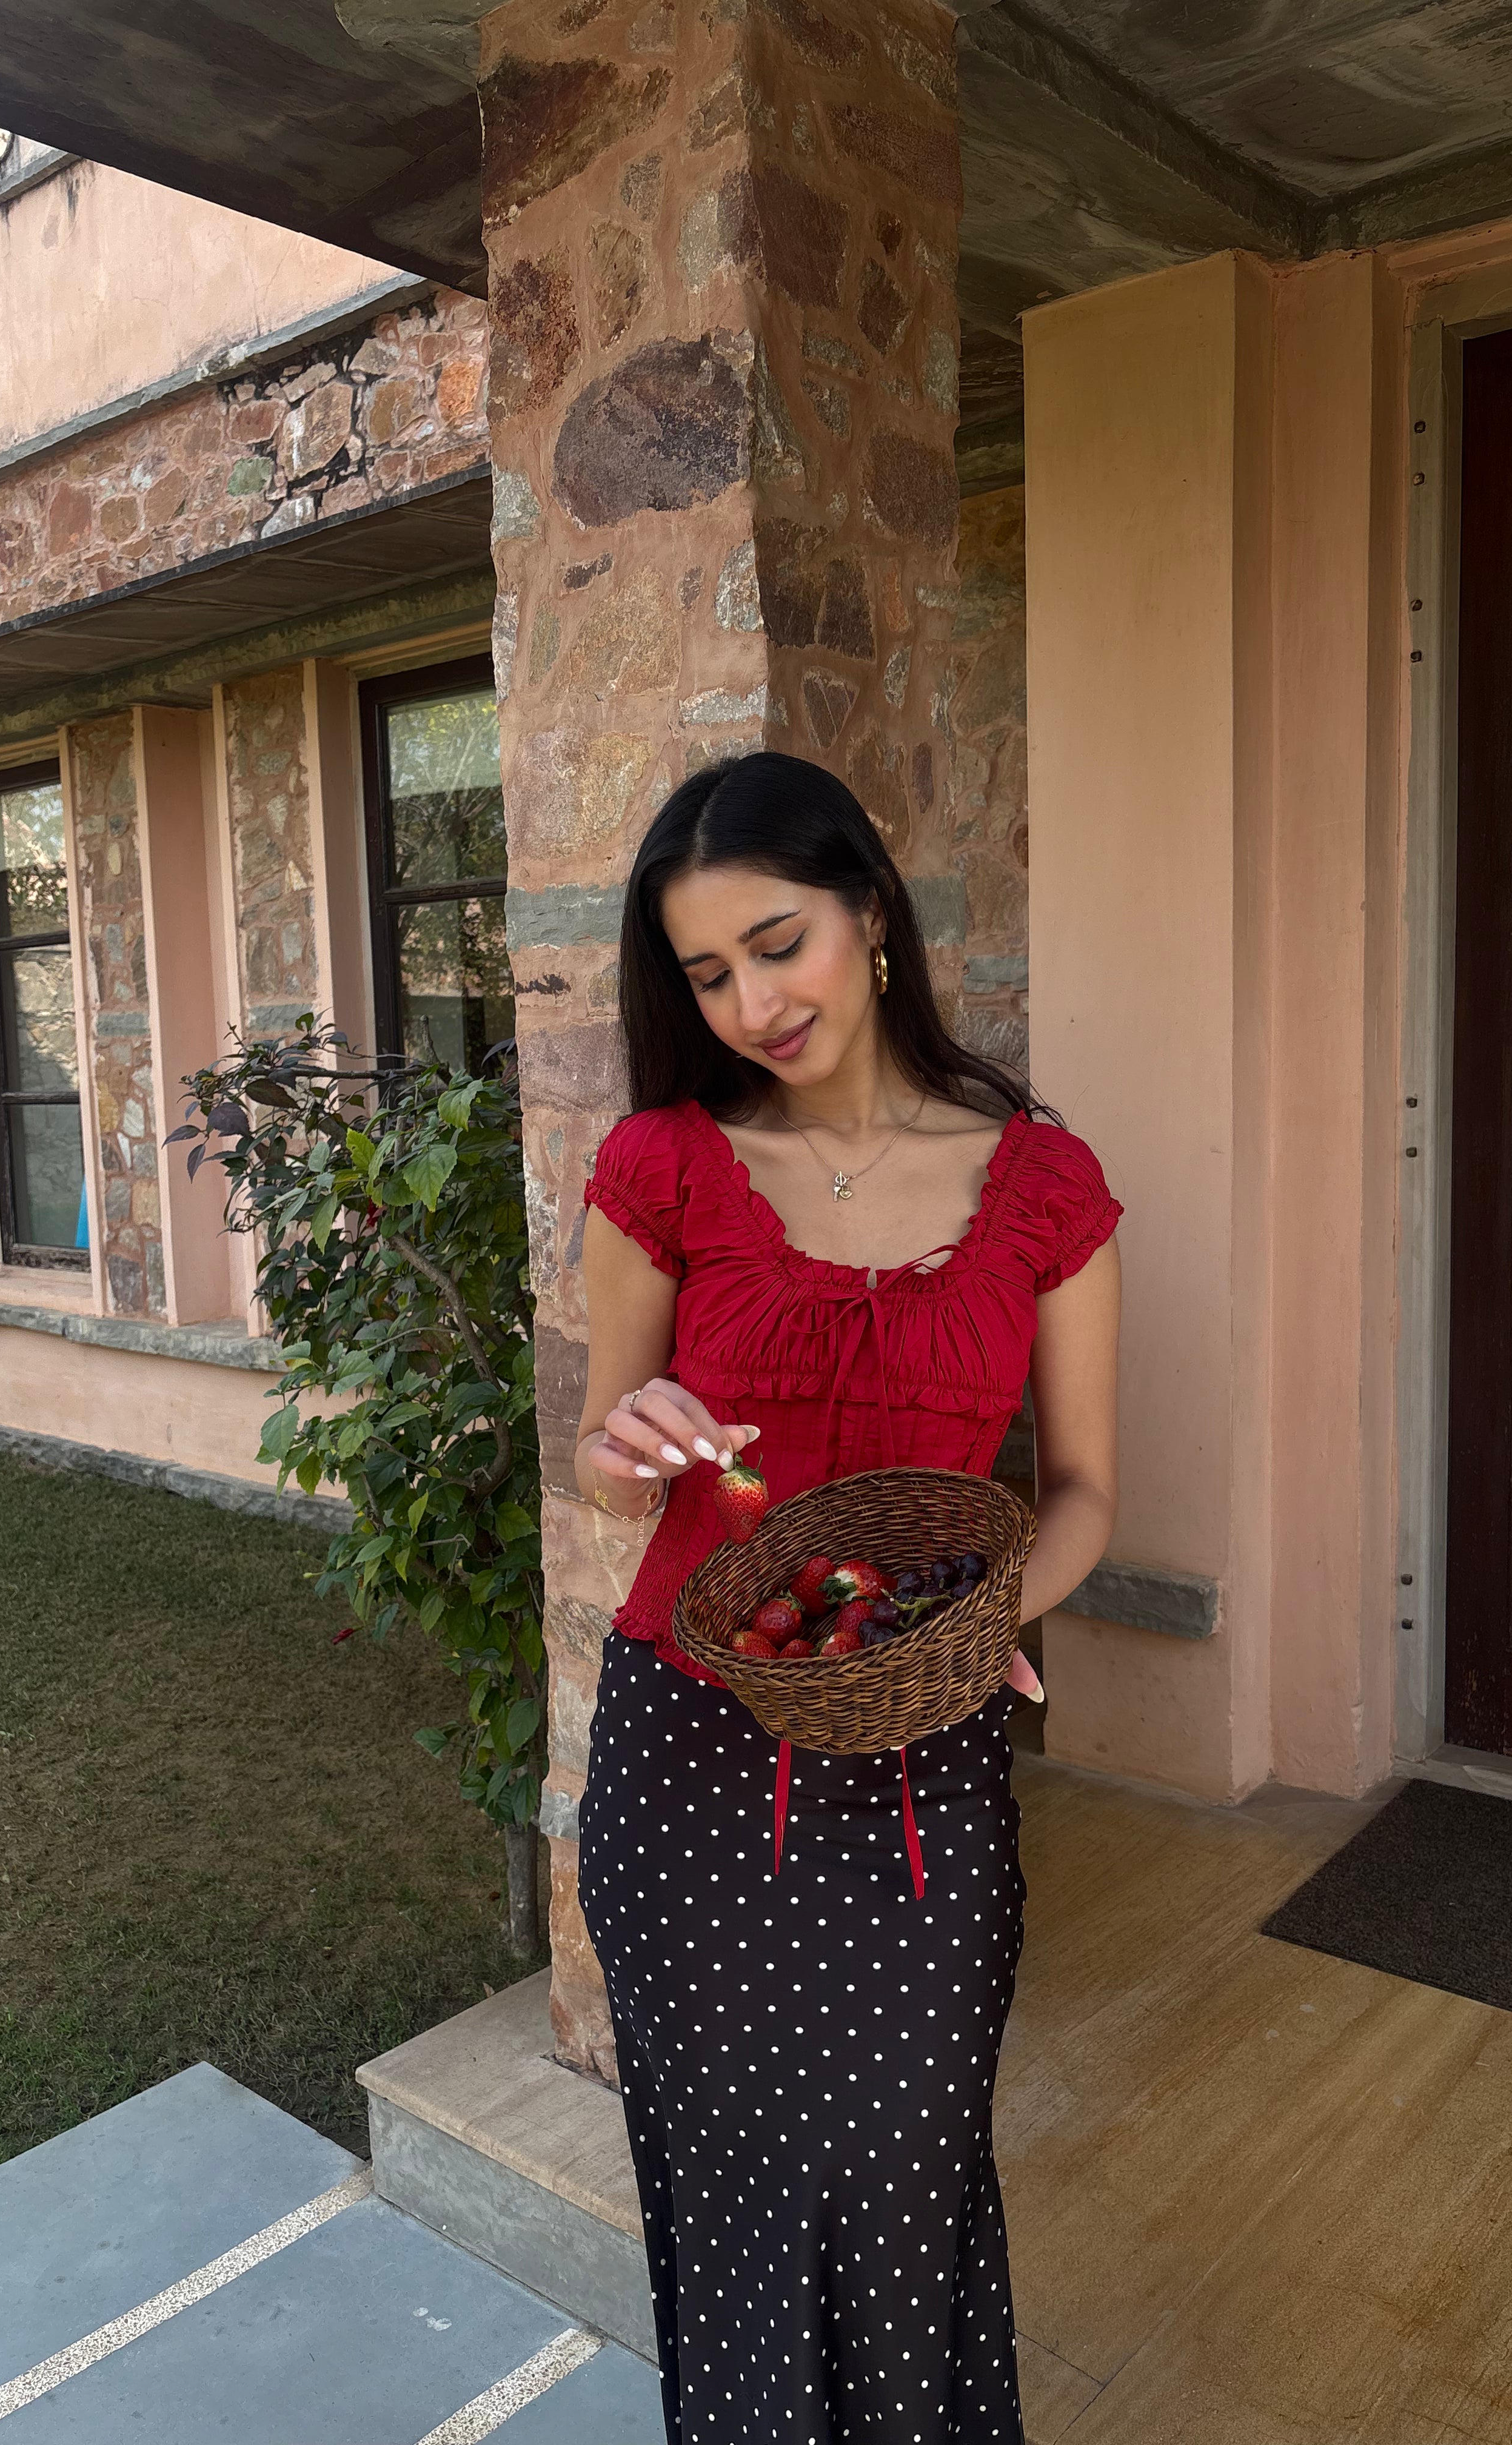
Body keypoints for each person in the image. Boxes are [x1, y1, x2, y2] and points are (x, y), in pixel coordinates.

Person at [573, 750, 1120, 2444]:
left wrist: (994, 1618)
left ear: (872, 913)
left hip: (918, 1761)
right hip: (689, 1757)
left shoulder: (1043, 1184)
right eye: (709, 974)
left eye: (778, 941)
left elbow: (1085, 1487)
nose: (751, 1001)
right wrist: (630, 1438)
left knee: (905, 2191)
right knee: (736, 2224)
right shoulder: (664, 1165)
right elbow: (607, 1451)